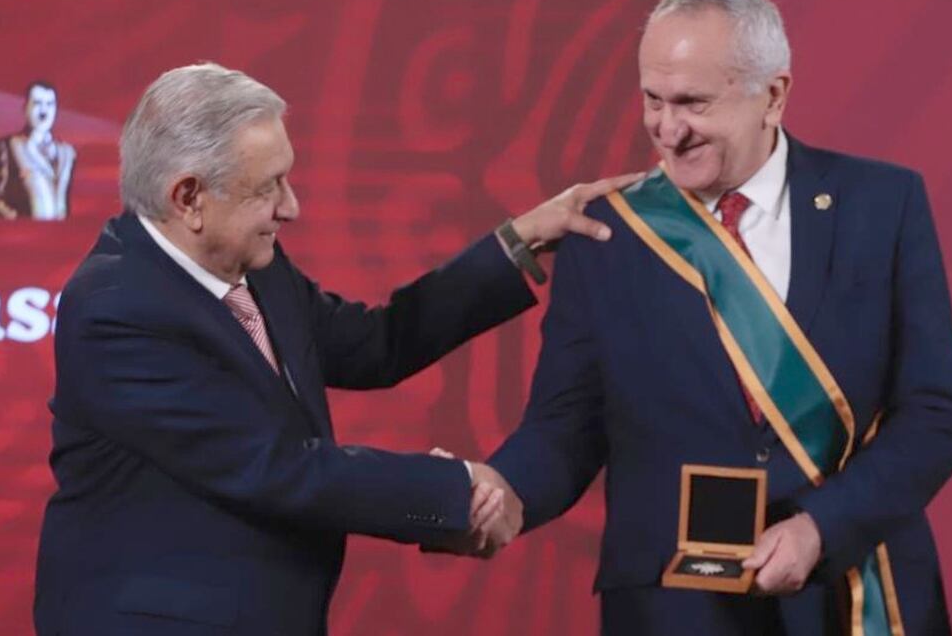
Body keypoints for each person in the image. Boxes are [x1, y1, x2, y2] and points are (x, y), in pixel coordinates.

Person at [32, 62, 641, 635]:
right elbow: (277, 468)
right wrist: (452, 491)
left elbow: (377, 344)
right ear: (189, 198)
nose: (291, 207)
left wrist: (519, 239)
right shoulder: (116, 309)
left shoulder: (255, 267)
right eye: (269, 187)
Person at [466, 0, 952, 635]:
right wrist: (499, 493)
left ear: (773, 94)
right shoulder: (608, 234)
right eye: (652, 100)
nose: (666, 130)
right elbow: (564, 428)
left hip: (849, 591)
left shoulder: (882, 206)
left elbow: (935, 413)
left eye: (692, 103)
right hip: (672, 607)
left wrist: (822, 529)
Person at [0, 81, 76, 220]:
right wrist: (14, 219)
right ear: (25, 108)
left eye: (50, 104)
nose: (44, 111)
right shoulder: (8, 146)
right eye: (37, 103)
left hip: (62, 236)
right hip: (24, 237)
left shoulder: (67, 153)